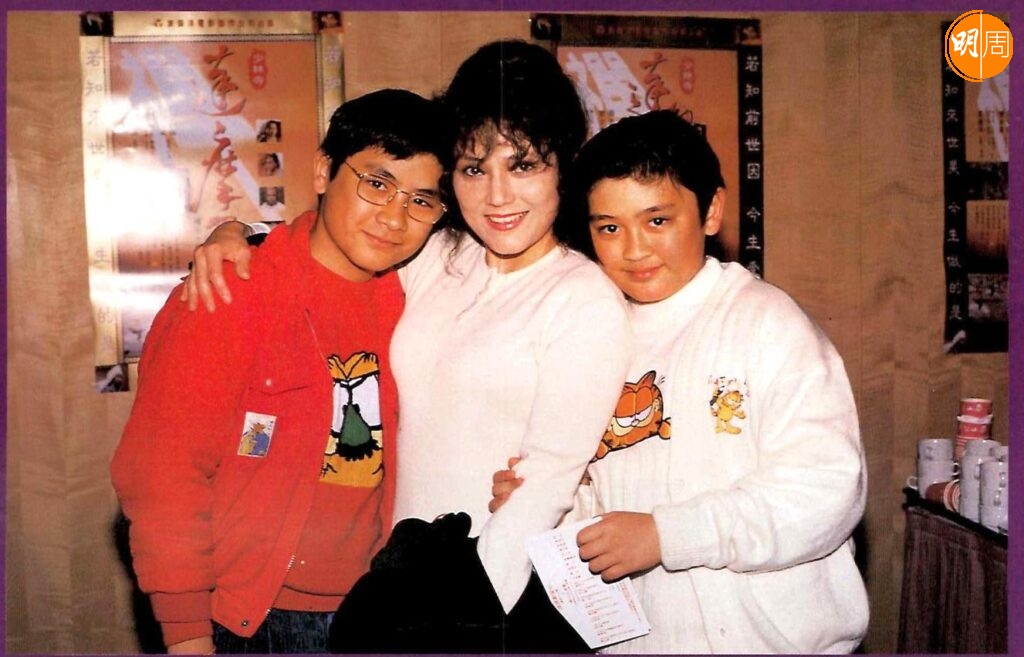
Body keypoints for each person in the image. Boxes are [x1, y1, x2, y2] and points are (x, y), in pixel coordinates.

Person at [182, 40, 631, 652]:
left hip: (487, 597)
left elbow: (545, 486)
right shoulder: (439, 256)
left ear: (564, 167)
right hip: (395, 575)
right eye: (474, 169)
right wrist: (241, 232)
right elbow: (338, 242)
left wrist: (464, 620)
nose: (498, 196)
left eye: (524, 166)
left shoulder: (583, 298)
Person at [493, 110, 870, 653]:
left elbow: (825, 490)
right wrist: (550, 504)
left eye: (657, 221)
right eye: (609, 228)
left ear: (711, 211)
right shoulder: (596, 335)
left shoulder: (766, 323)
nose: (634, 249)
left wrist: (666, 535)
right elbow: (610, 499)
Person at [110, 88, 453, 654]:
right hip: (250, 617)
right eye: (376, 184)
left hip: (377, 608)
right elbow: (161, 475)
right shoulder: (233, 290)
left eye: (421, 200)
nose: (394, 217)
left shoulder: (418, 299)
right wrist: (186, 634)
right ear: (323, 171)